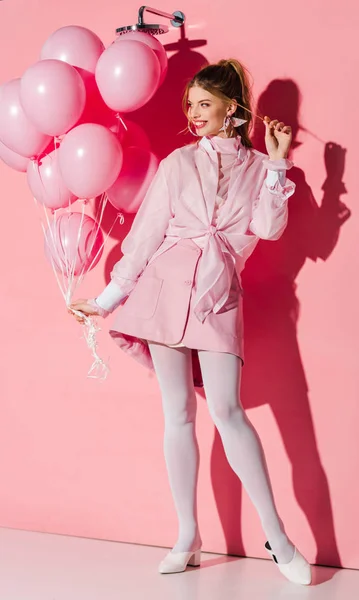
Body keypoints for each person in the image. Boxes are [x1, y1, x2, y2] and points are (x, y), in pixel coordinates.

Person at [69, 58, 312, 586]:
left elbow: (268, 230)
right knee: (177, 412)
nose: (194, 114)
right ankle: (188, 535)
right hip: (162, 291)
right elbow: (146, 237)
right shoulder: (178, 163)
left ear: (233, 108)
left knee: (227, 410)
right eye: (191, 105)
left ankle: (277, 535)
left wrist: (276, 165)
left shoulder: (258, 167)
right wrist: (107, 300)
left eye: (205, 104)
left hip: (218, 295)